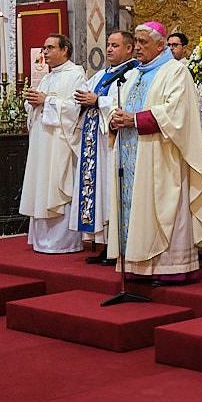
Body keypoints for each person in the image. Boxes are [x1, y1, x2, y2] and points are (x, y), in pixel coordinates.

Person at [104, 23, 202, 282]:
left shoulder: (176, 71)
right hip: (133, 156)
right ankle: (137, 265)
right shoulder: (133, 74)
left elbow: (177, 112)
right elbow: (117, 104)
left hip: (162, 156)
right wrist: (115, 119)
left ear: (160, 45)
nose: (137, 47)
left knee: (163, 206)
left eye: (143, 42)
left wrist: (136, 120)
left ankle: (168, 268)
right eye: (136, 42)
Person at [72, 31, 141, 263]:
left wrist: (97, 101)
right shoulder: (102, 74)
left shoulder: (132, 73)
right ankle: (104, 243)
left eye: (115, 45)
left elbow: (128, 103)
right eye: (108, 45)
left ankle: (116, 245)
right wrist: (81, 100)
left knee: (110, 191)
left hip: (111, 143)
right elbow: (84, 95)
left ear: (130, 48)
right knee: (99, 192)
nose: (109, 49)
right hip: (95, 143)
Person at [20, 34, 86, 254]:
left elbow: (76, 109)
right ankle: (42, 240)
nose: (44, 53)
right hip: (42, 143)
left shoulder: (76, 74)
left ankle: (63, 242)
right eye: (44, 48)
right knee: (41, 184)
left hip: (60, 143)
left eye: (50, 48)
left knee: (58, 184)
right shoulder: (47, 77)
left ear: (65, 49)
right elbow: (36, 107)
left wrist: (46, 101)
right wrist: (32, 103)